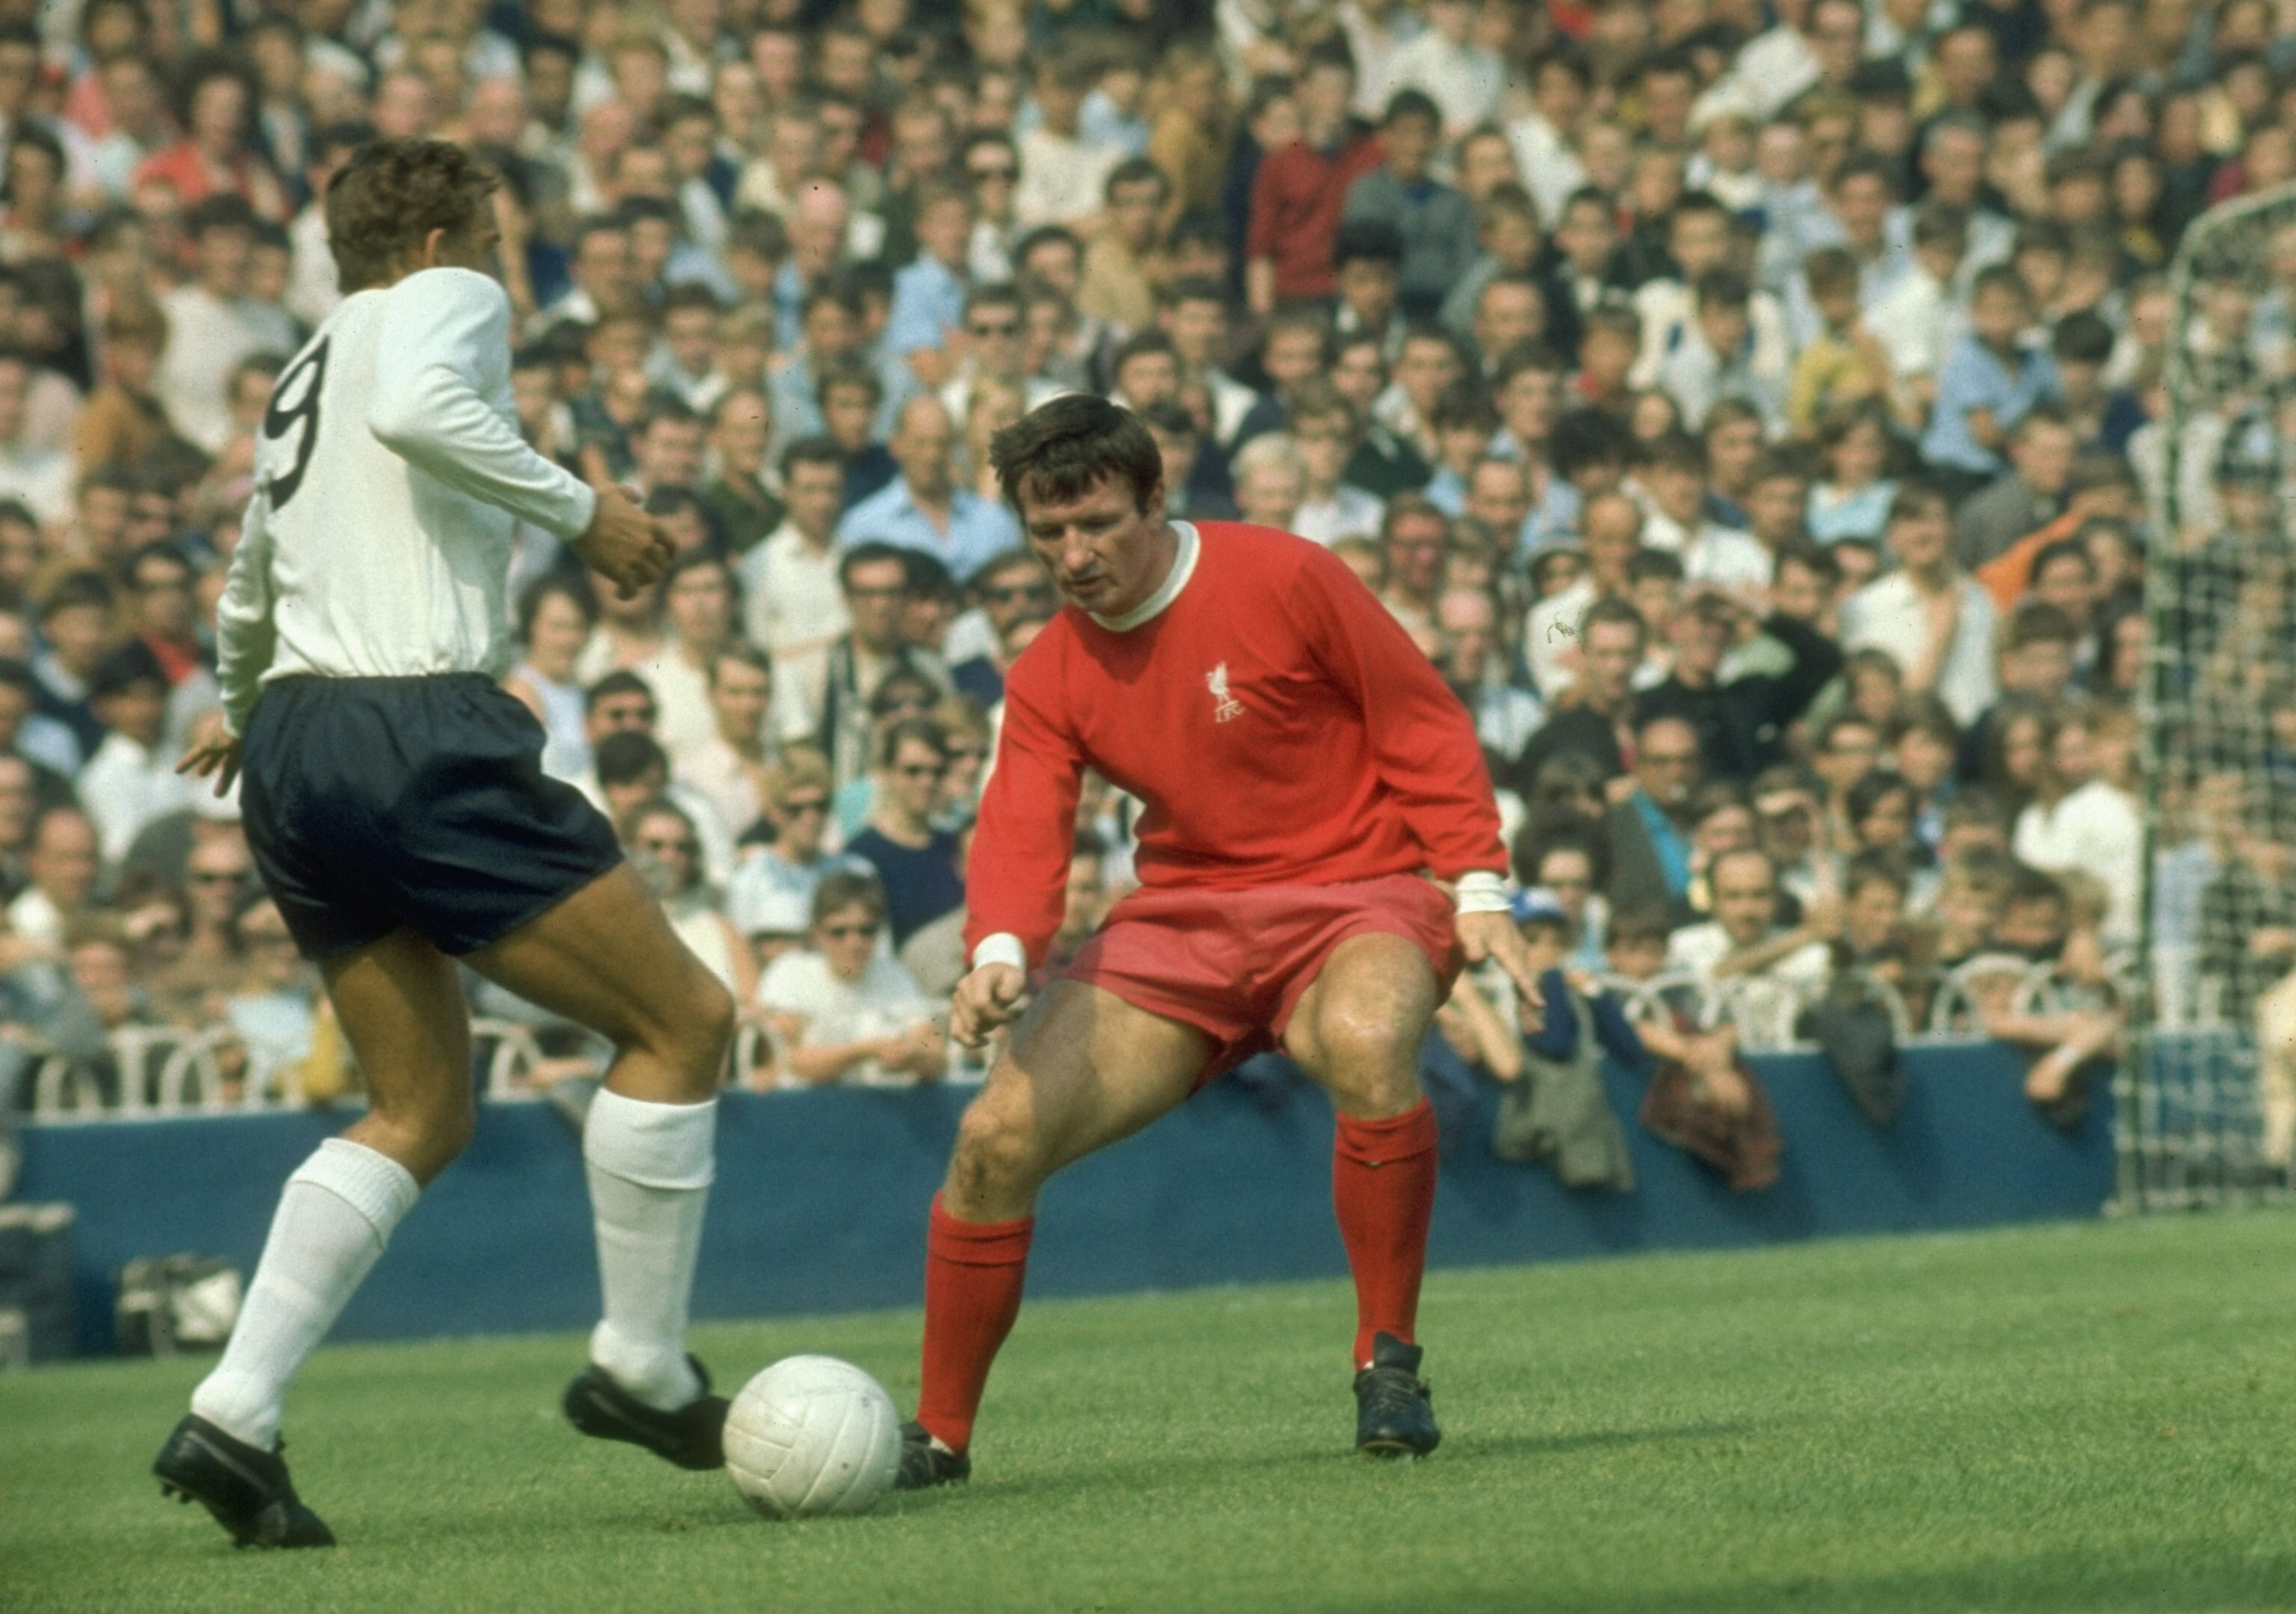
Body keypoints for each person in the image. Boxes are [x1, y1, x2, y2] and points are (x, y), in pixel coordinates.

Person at [154, 140, 737, 1551]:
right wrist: (583, 507)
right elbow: (428, 410)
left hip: (294, 750)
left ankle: (232, 1415)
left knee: (419, 1108)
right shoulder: (437, 306)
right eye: (494, 237)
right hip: (412, 726)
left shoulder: (305, 371)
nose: (508, 268)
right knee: (685, 1021)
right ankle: (644, 1372)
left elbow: (249, 575)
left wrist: (252, 713)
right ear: (432, 241)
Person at [893, 394, 1540, 1488]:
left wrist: (1477, 880)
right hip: (1184, 923)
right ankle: (940, 1438)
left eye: (1096, 522)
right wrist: (999, 949)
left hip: (1357, 893)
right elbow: (1022, 818)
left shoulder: (1286, 574)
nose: (1074, 554)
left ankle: (1388, 1363)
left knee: (1373, 1033)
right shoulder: (1049, 669)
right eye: (1048, 535)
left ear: (1155, 495)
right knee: (995, 1136)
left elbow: (1418, 716)